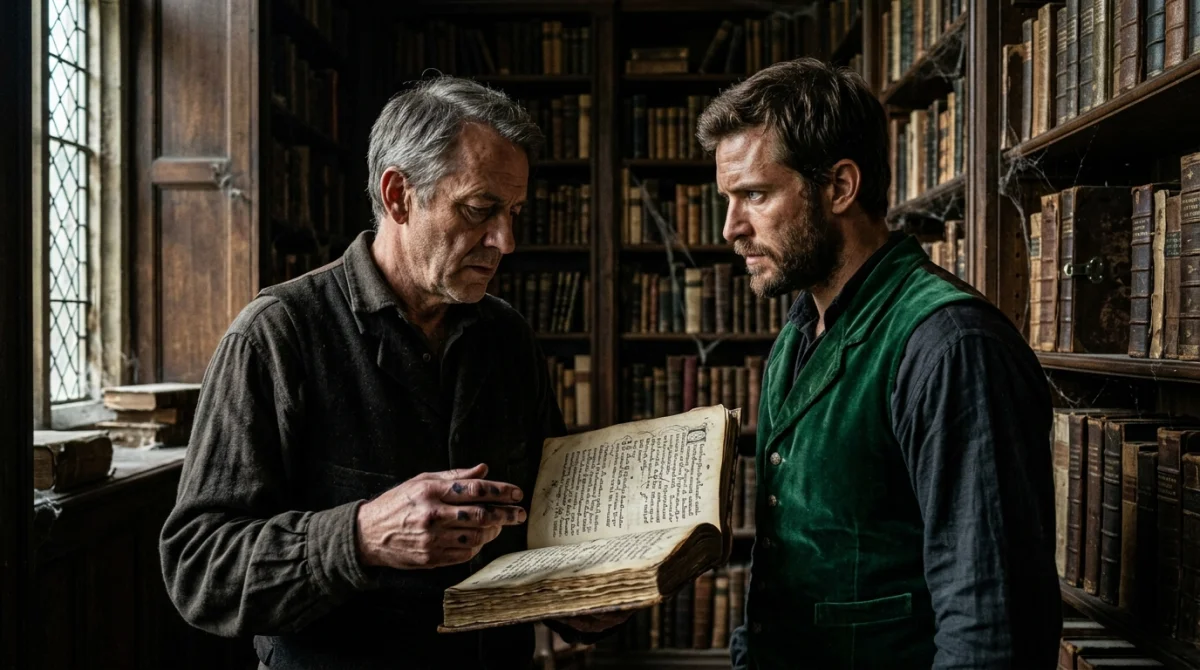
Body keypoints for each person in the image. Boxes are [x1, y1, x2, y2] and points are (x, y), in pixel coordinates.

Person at [160, 76, 622, 670]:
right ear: (399, 195)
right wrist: (360, 536)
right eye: (480, 210)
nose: (505, 241)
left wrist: (583, 597)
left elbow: (544, 520)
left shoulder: (508, 338)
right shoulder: (277, 334)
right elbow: (198, 568)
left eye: (513, 213)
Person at [697, 58, 1062, 669]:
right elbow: (785, 558)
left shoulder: (952, 346)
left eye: (754, 194)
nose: (731, 228)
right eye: (727, 199)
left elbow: (992, 618)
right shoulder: (799, 331)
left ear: (840, 187)